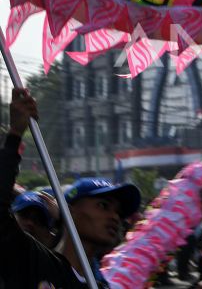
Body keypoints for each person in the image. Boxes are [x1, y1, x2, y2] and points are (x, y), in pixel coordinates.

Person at [0, 88, 141, 288]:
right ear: (69, 211)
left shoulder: (100, 285)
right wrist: (14, 135)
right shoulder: (33, 261)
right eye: (103, 205)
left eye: (118, 211)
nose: (115, 217)